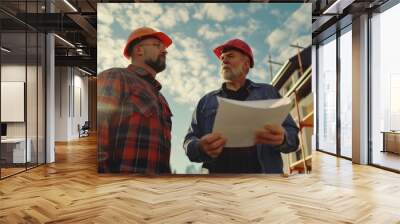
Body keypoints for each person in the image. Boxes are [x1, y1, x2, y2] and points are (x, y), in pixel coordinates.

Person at [183, 39, 299, 173]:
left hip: (264, 185)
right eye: (222, 58)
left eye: (230, 56)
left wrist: (283, 138)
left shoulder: (268, 93)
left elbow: (293, 137)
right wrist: (199, 147)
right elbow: (189, 140)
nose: (224, 60)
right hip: (220, 187)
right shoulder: (206, 102)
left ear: (246, 64)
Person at [98, 27, 173, 174]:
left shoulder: (162, 99)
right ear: (139, 50)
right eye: (157, 46)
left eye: (164, 48)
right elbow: (98, 132)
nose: (164, 51)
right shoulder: (116, 76)